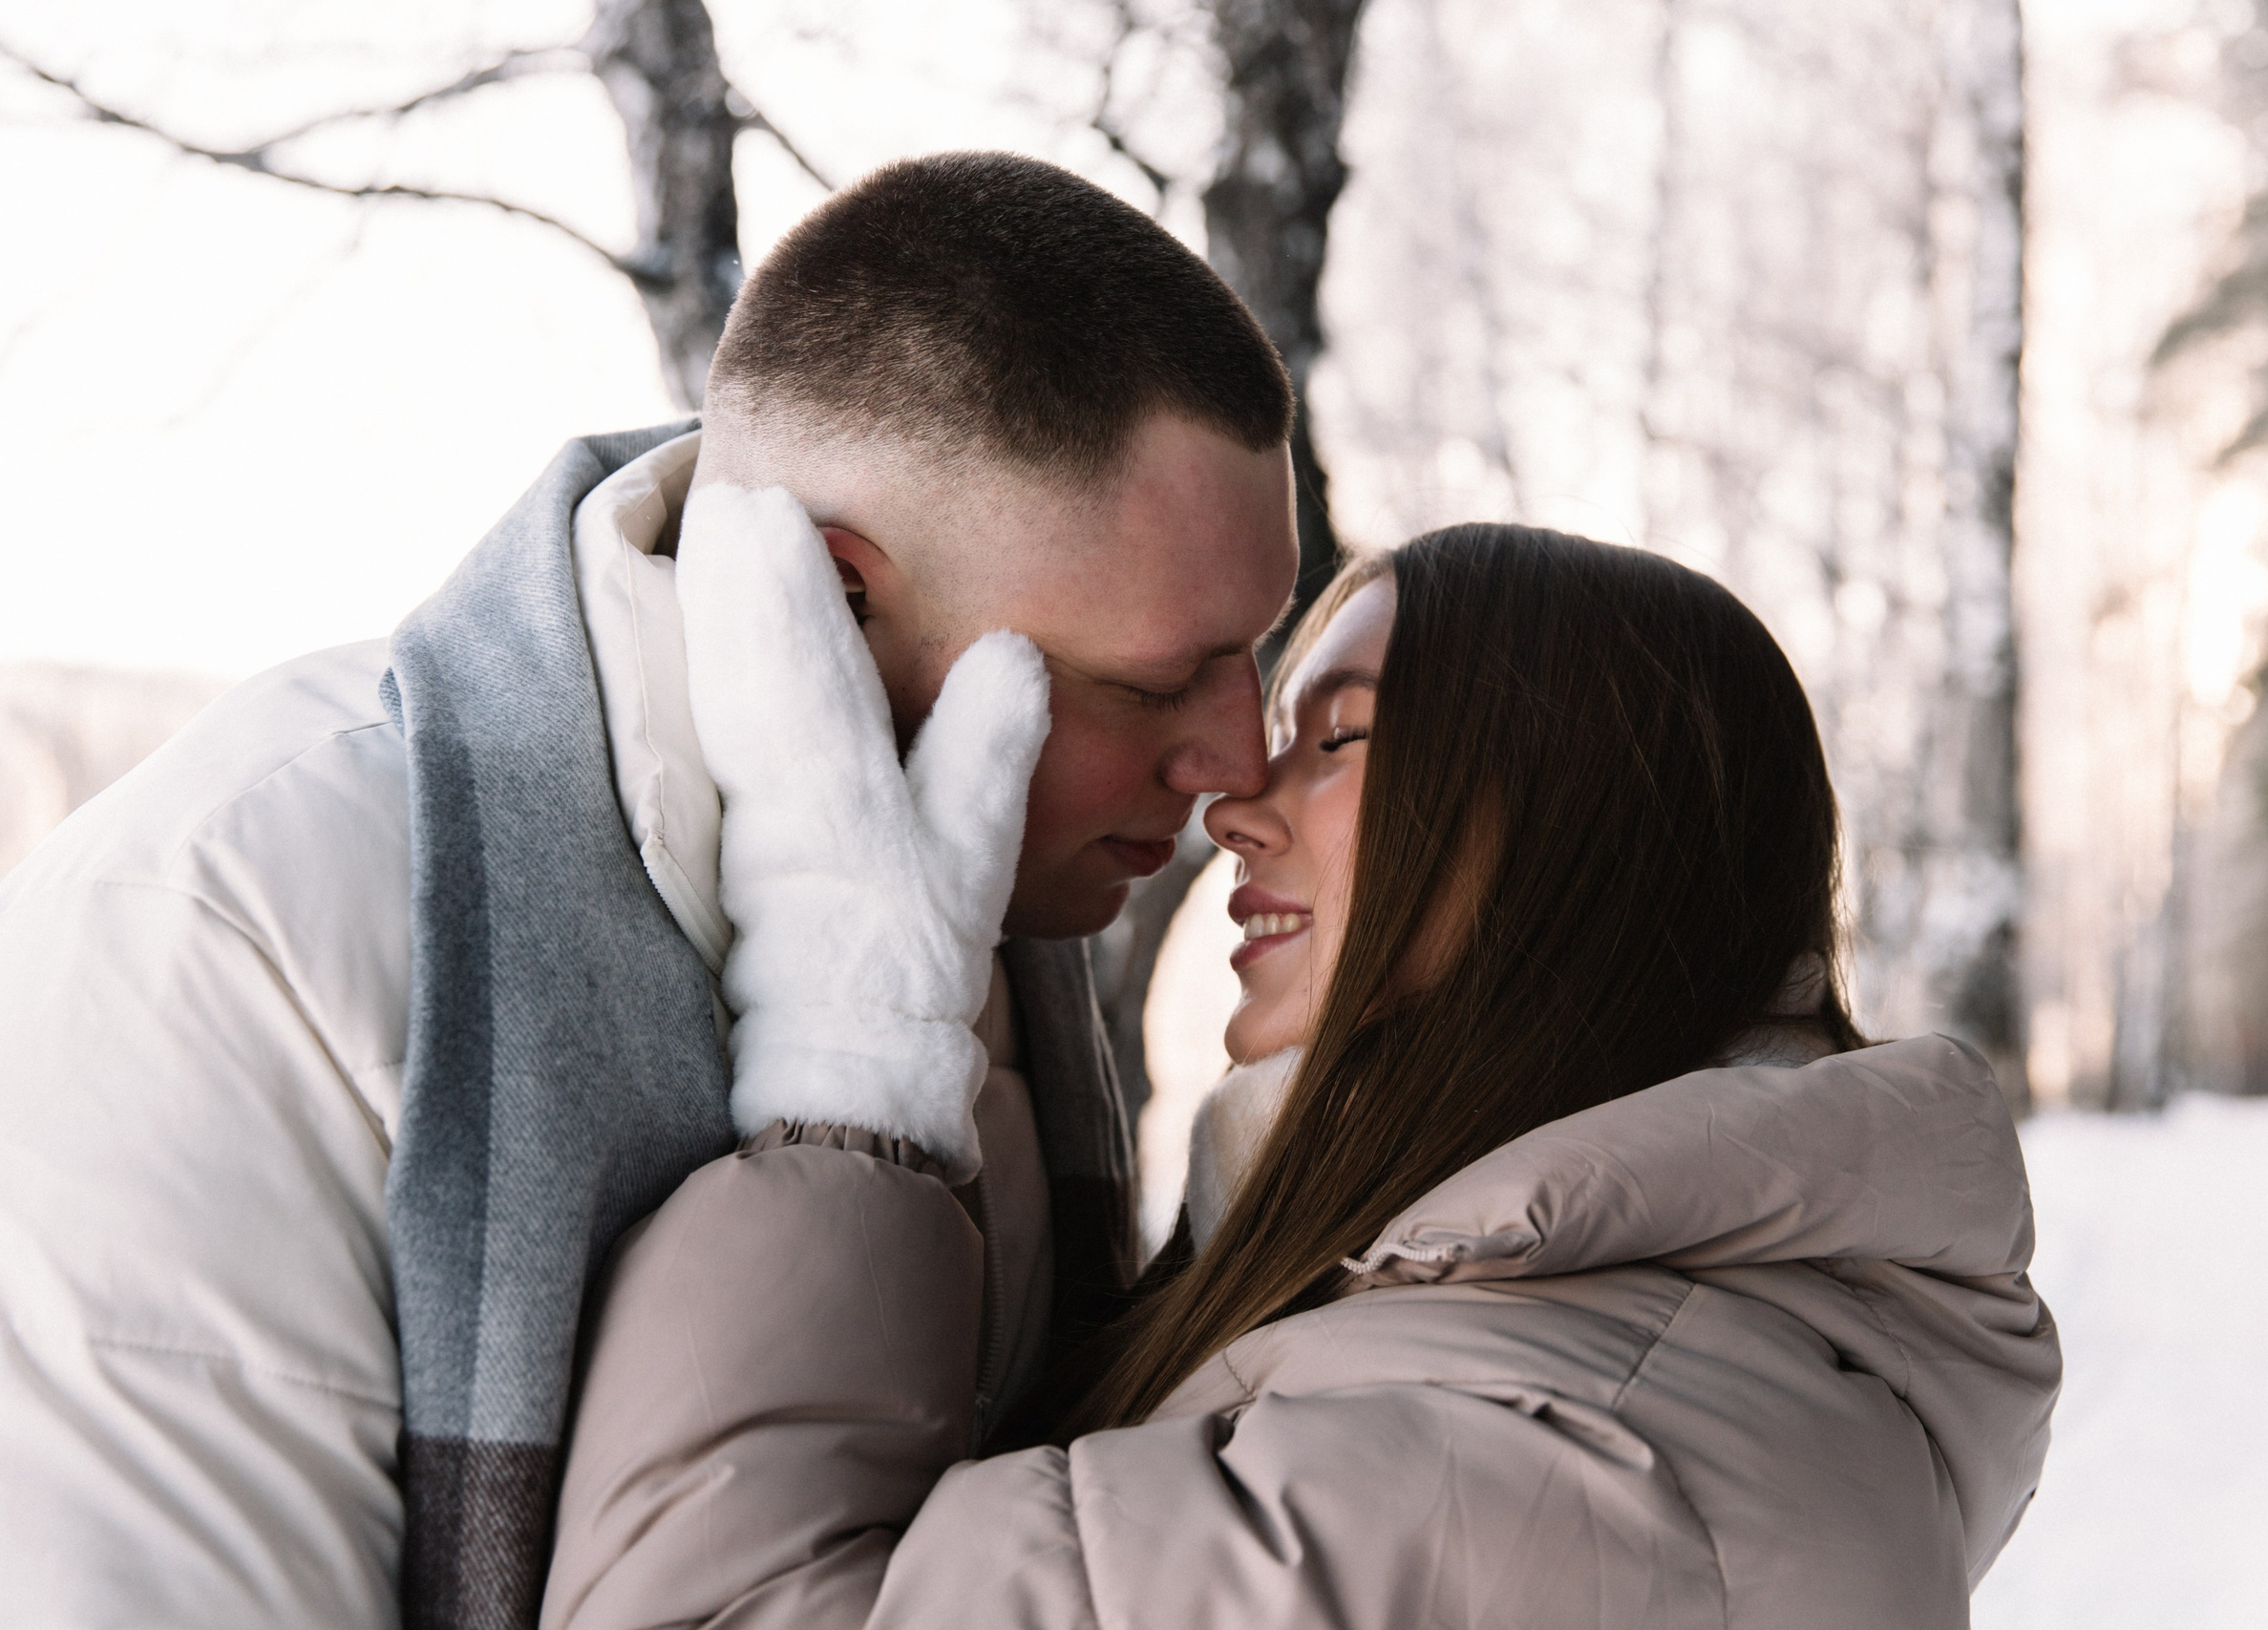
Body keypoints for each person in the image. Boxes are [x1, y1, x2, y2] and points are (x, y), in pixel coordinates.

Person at [0, 153, 1298, 1629]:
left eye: (1254, 649)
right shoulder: (235, 935)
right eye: (1154, 680)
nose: (1238, 756)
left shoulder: (983, 920)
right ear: (837, 595)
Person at [541, 523, 2063, 1629]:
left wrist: (849, 1067)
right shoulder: (1572, 1357)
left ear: (1585, 844)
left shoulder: (1561, 1468)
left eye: (1336, 740)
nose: (1236, 812)